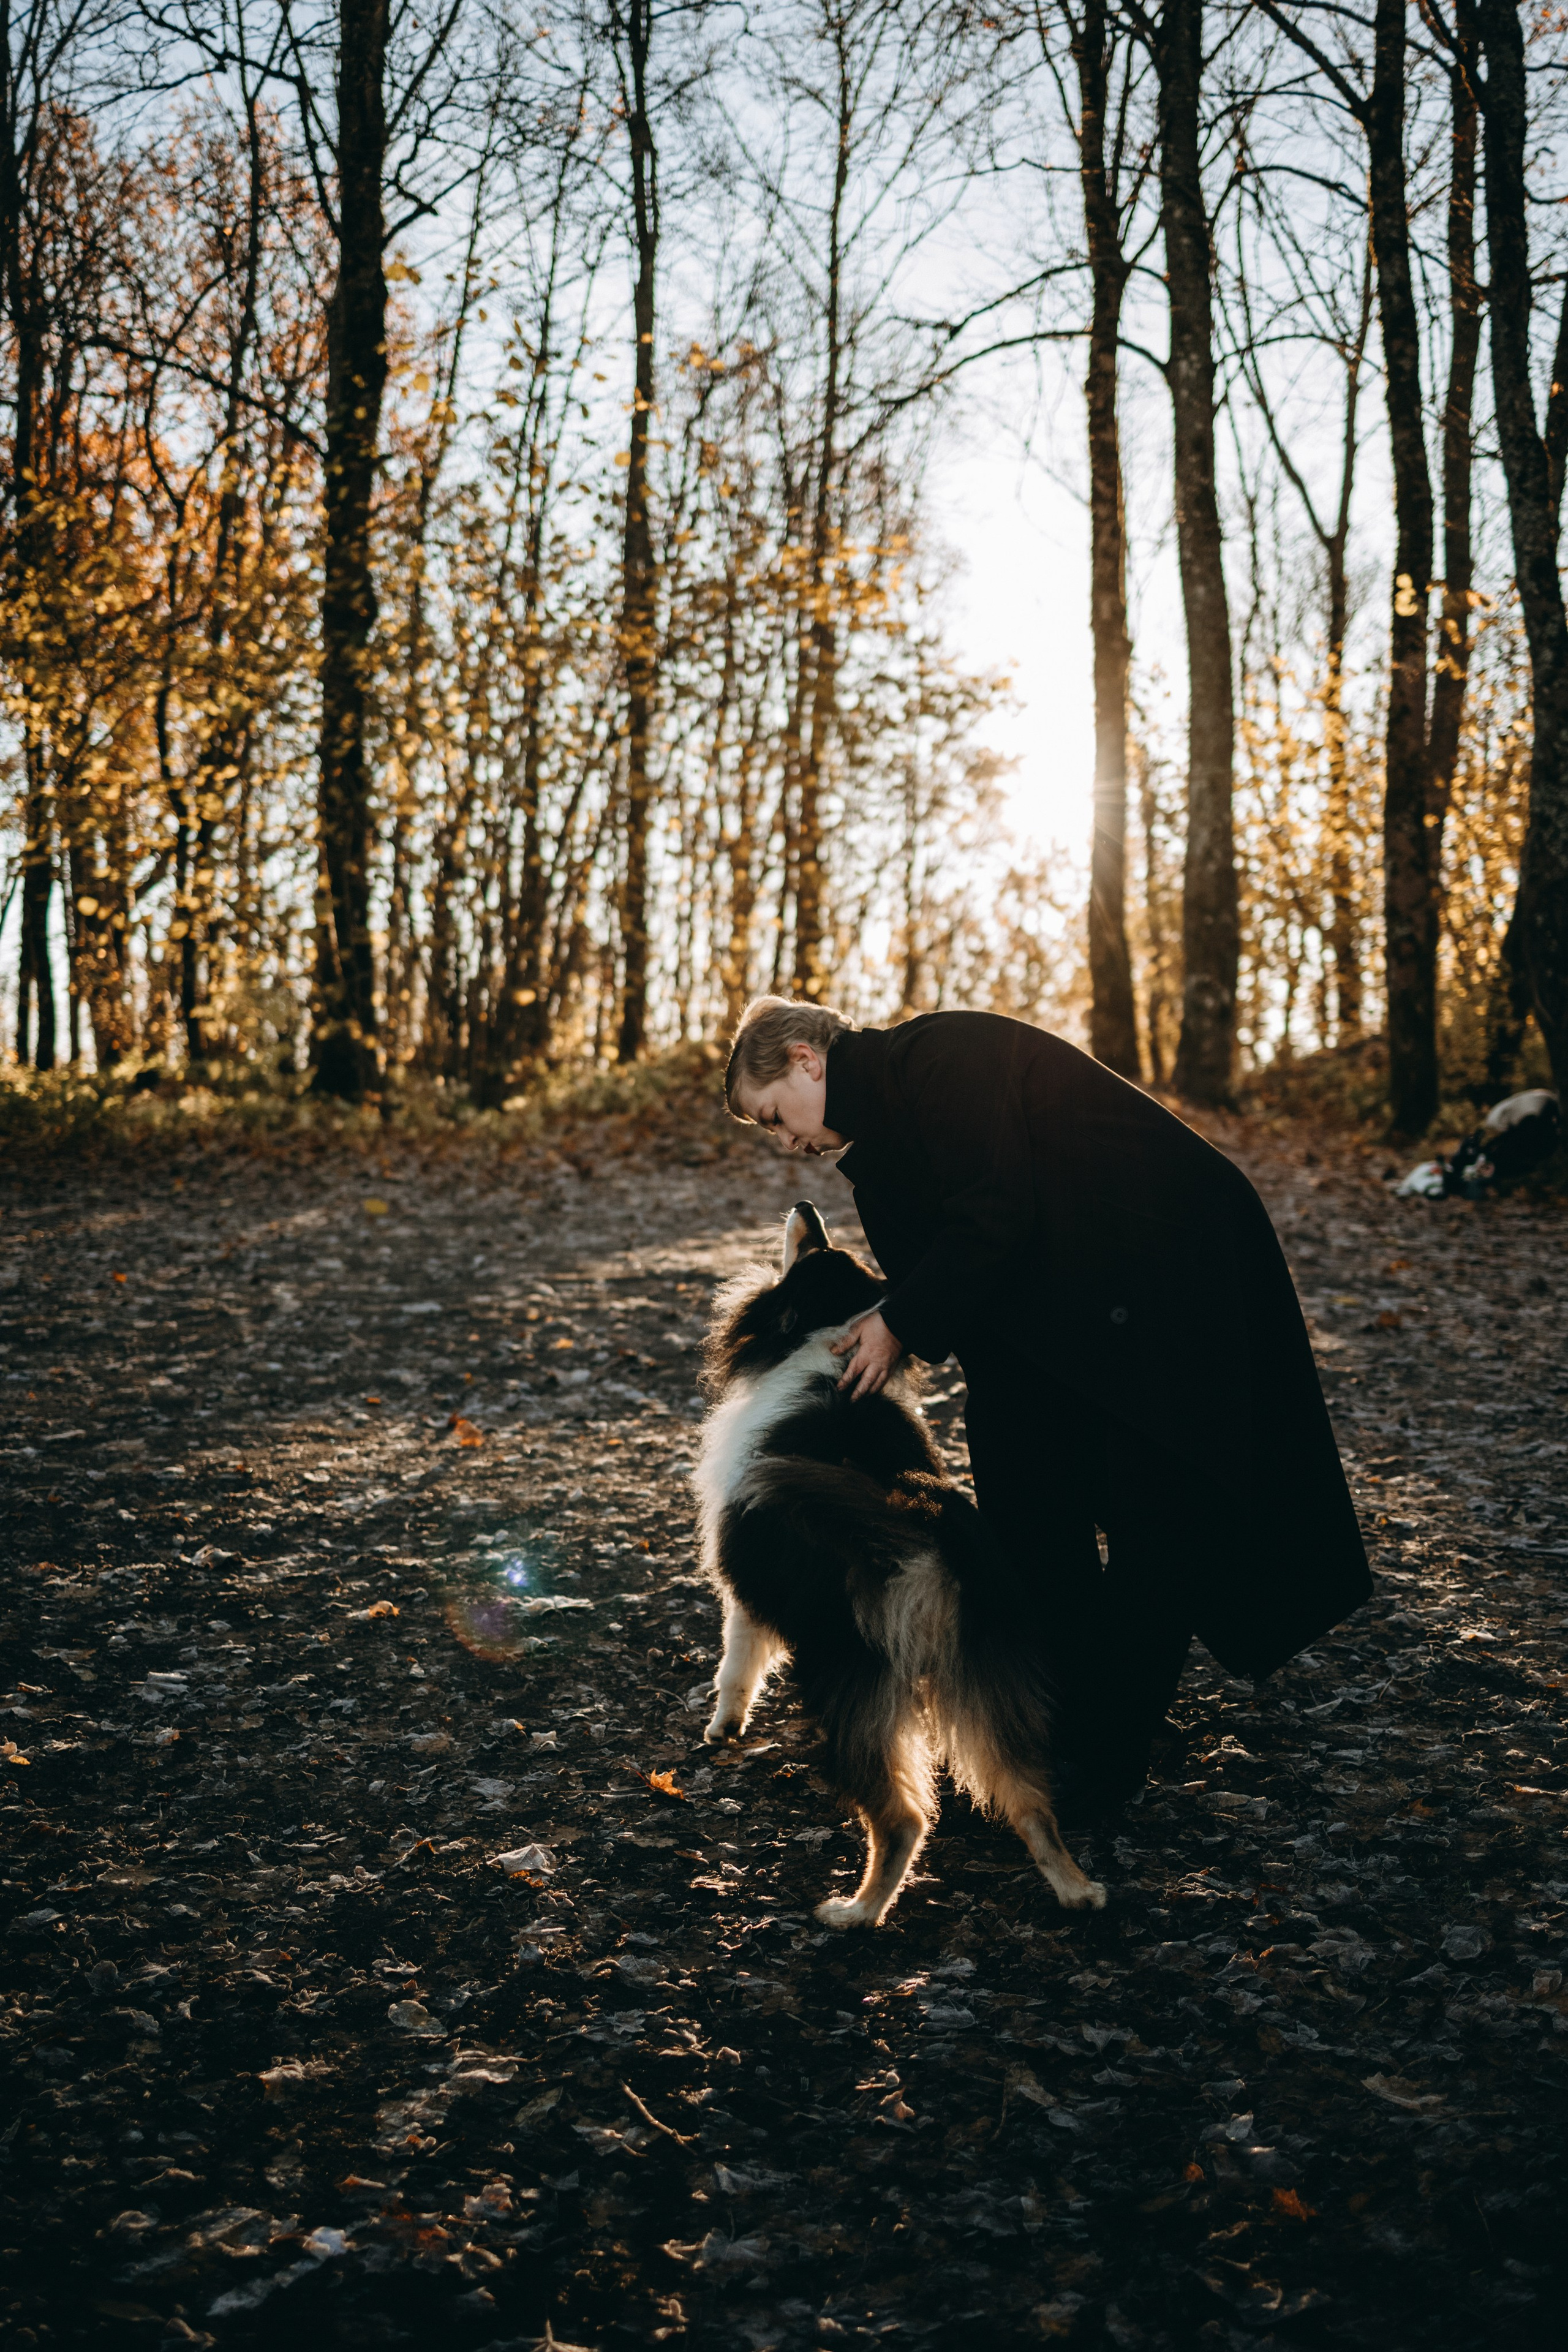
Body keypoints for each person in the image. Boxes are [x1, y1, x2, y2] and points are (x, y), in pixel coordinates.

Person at [724, 995, 1371, 1814]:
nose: (786, 1144)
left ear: (806, 1062)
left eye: (776, 1117)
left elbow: (995, 1211)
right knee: (1024, 1503)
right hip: (1072, 1314)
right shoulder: (879, 1158)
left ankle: (1102, 1755)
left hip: (1177, 1273)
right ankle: (1066, 1715)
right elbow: (954, 1277)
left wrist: (899, 1321)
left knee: (1159, 1518)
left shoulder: (943, 1056)